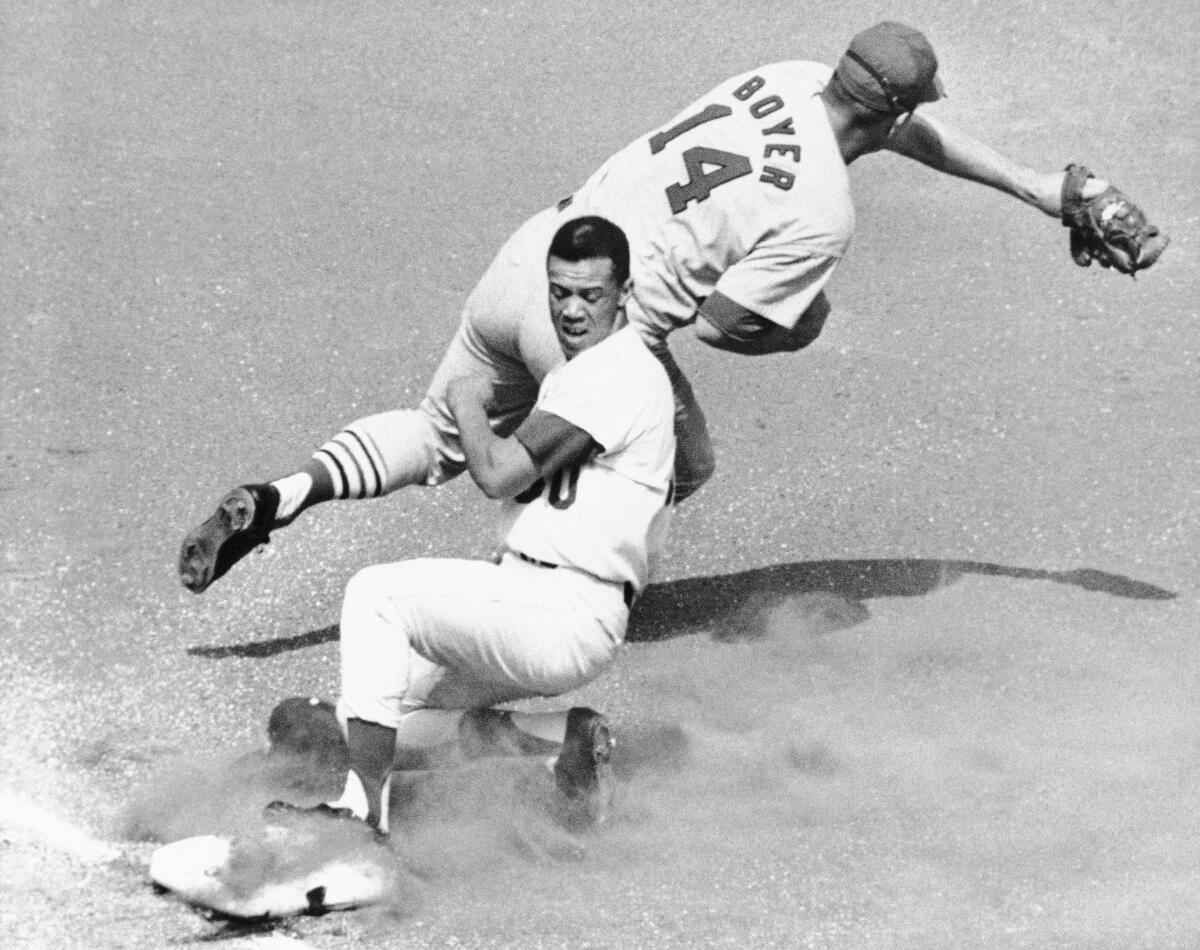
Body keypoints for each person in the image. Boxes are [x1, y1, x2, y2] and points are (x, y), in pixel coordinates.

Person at [179, 20, 1121, 594]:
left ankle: (279, 496)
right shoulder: (823, 213)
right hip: (596, 323)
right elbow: (722, 326)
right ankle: (538, 598)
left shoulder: (787, 76)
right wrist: (804, 324)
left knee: (438, 434)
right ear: (890, 111)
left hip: (536, 256)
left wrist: (1036, 189)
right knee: (683, 463)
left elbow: (904, 133)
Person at [268, 216, 675, 834]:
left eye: (590, 294)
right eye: (558, 291)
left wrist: (465, 400)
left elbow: (496, 473)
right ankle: (558, 748)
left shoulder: (616, 371)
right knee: (383, 707)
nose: (571, 309)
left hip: (562, 609)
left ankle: (359, 813)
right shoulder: (587, 373)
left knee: (375, 597)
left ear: (624, 293)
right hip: (548, 604)